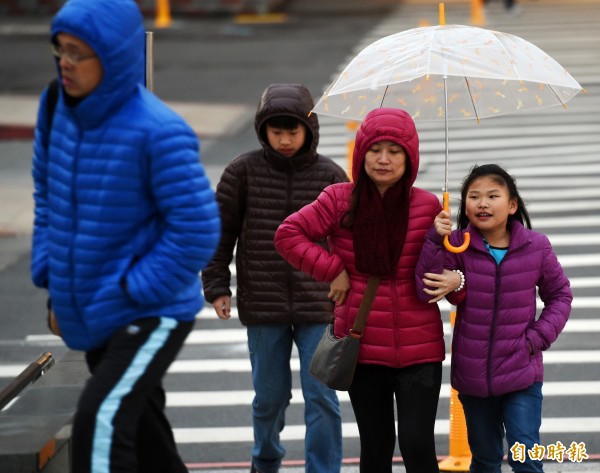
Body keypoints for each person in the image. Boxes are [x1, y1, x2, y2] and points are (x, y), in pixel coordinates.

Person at [30, 1, 221, 472]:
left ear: (114, 57)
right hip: (94, 306)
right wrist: (53, 279)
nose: (65, 63)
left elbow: (198, 229)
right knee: (148, 440)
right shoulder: (55, 106)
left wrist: (135, 289)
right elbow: (47, 194)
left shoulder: (158, 131)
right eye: (61, 50)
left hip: (150, 314)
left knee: (101, 425)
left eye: (78, 53)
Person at [274, 107, 453, 473]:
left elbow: (436, 275)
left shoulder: (429, 206)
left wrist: (448, 258)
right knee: (376, 446)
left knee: (418, 444)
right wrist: (333, 269)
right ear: (361, 153)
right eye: (374, 149)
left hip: (420, 348)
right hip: (363, 343)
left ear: (410, 156)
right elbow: (288, 234)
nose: (383, 159)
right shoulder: (340, 199)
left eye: (394, 150)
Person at [201, 83, 347, 473]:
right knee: (269, 397)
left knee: (322, 397)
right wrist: (217, 286)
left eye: (293, 131)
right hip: (263, 305)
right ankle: (265, 460)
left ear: (309, 130)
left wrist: (348, 283)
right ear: (262, 130)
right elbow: (220, 232)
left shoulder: (331, 174)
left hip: (320, 304)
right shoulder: (242, 172)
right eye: (276, 131)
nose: (284, 139)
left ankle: (324, 469)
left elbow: (348, 238)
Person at [416, 164, 572, 473]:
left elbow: (560, 296)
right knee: (486, 462)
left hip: (521, 373)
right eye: (473, 197)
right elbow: (427, 289)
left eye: (492, 196)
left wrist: (536, 338)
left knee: (525, 459)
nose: (482, 203)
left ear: (512, 204)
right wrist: (435, 239)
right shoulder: (456, 245)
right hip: (474, 378)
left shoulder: (536, 247)